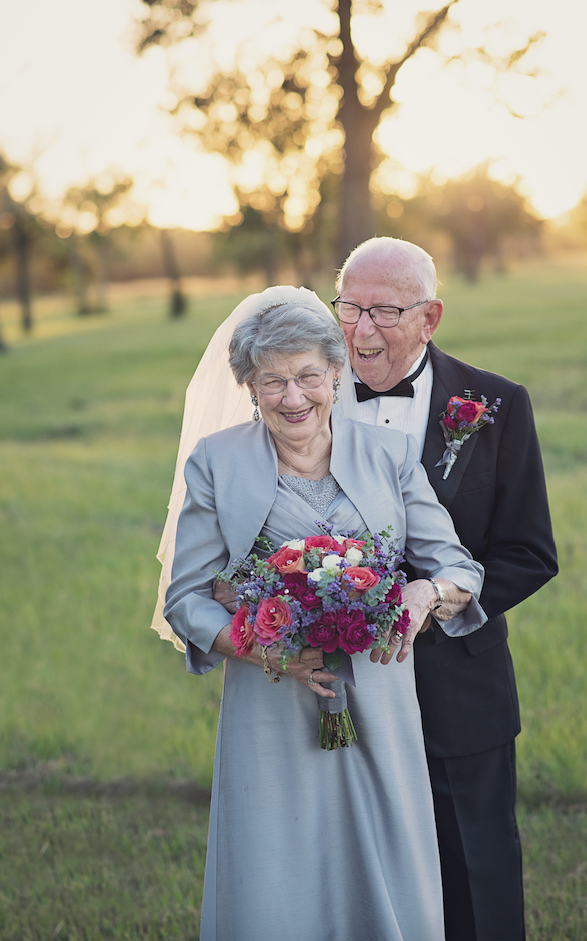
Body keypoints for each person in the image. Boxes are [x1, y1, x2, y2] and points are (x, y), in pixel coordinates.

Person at [155, 286, 487, 941]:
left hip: (383, 700)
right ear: (250, 386)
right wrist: (262, 648)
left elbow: (459, 570)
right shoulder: (216, 463)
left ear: (337, 372)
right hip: (272, 703)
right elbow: (186, 598)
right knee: (279, 872)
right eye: (272, 380)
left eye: (308, 375)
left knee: (389, 867)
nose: (293, 396)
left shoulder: (389, 456)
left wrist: (422, 596)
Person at [333, 237, 559, 941]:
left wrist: (439, 597)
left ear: (430, 317)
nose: (361, 330)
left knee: (474, 867)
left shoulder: (495, 404)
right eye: (349, 308)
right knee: (353, 863)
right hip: (339, 683)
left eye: (384, 311)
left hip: (460, 684)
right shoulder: (307, 395)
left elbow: (530, 551)